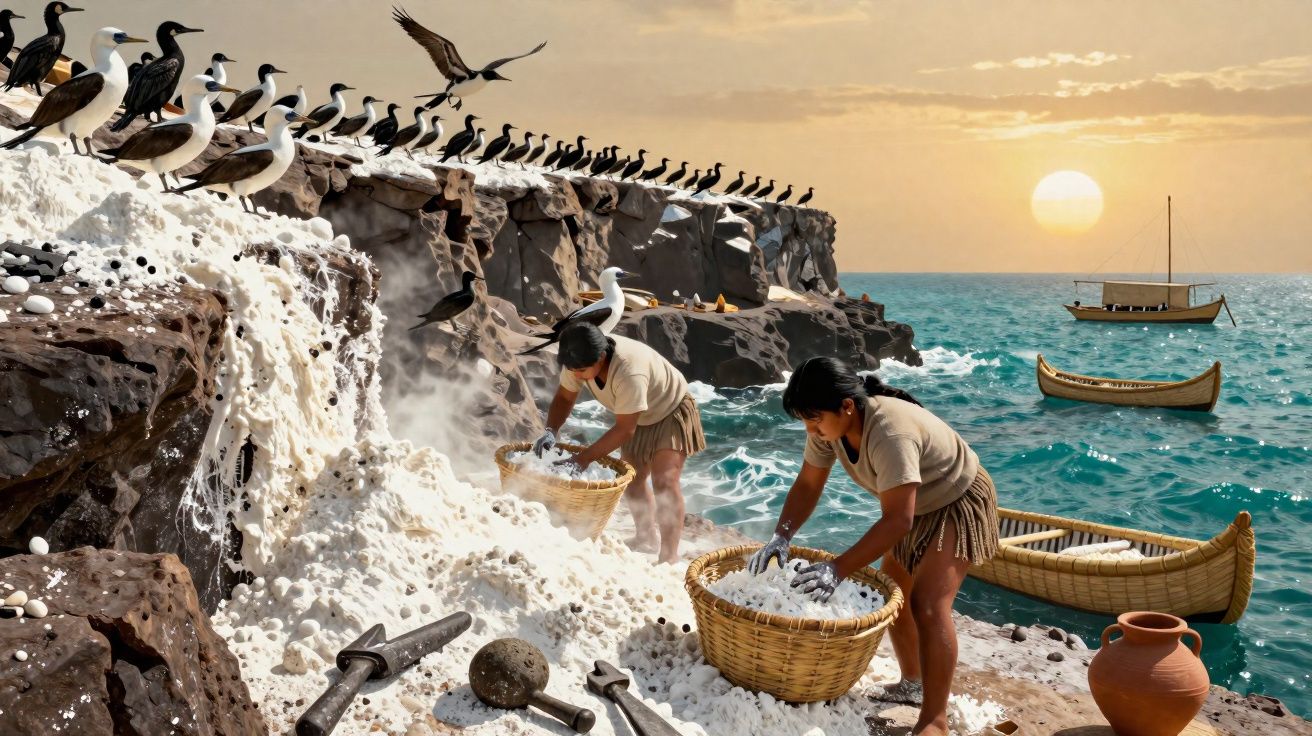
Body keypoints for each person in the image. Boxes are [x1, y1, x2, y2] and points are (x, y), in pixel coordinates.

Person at [746, 357, 999, 736]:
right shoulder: (828, 429)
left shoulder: (890, 433)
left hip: (955, 499)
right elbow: (808, 484)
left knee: (928, 604)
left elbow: (898, 520)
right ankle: (913, 683)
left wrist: (838, 567)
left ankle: (935, 721)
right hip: (915, 504)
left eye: (814, 419)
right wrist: (782, 534)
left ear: (847, 405)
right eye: (805, 420)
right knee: (892, 592)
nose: (810, 429)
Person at [533, 323, 706, 563]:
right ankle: (645, 537)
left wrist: (581, 460)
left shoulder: (629, 371)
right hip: (638, 414)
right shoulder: (577, 359)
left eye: (582, 370)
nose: (576, 375)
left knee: (665, 481)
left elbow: (625, 429)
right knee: (632, 478)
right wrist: (551, 430)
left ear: (601, 357)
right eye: (572, 369)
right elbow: (564, 397)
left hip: (671, 409)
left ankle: (669, 556)